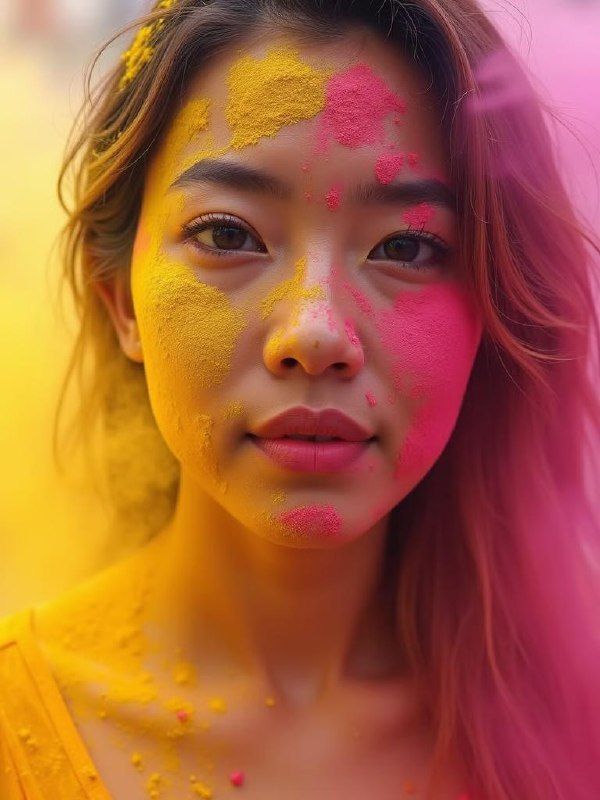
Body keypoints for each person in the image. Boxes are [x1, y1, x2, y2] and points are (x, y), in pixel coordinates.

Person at [1, 1, 599, 798]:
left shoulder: (572, 720)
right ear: (122, 300)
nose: (315, 333)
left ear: (492, 308)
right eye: (228, 235)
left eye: (407, 246)